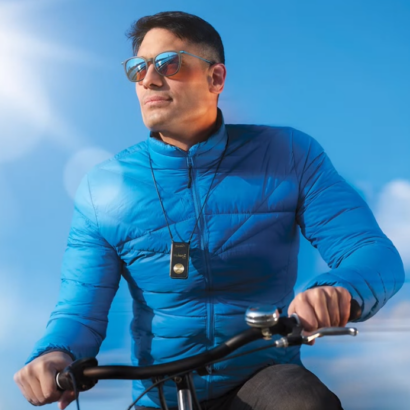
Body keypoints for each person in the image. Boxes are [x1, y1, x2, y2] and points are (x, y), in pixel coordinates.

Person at [14, 11, 404, 410]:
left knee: (305, 403)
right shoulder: (103, 188)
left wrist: (338, 289)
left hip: (263, 375)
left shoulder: (289, 155)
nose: (149, 79)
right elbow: (80, 311)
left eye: (169, 64)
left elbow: (373, 252)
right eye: (138, 68)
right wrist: (55, 352)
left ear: (215, 78)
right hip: (158, 393)